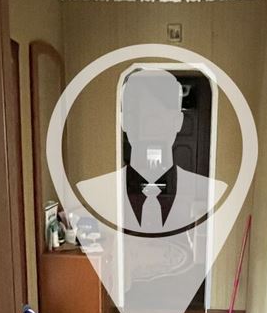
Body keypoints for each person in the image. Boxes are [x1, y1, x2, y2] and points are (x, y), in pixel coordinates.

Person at [76, 68, 225, 235]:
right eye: (138, 118)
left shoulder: (199, 189)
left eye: (156, 119)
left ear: (178, 121)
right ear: (124, 121)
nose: (147, 130)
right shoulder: (101, 190)